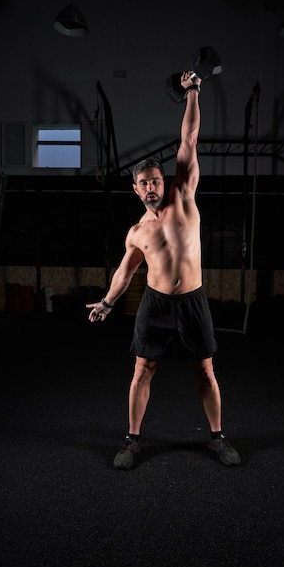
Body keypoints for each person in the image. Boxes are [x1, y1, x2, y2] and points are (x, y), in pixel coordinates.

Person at [86, 70, 241, 470]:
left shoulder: (183, 198)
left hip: (192, 301)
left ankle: (218, 438)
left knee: (205, 371)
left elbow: (188, 139)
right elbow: (125, 272)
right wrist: (107, 302)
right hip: (155, 306)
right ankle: (132, 441)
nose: (152, 186)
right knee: (142, 370)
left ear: (163, 180)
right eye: (144, 183)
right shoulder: (137, 232)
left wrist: (192, 93)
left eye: (156, 179)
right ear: (136, 189)